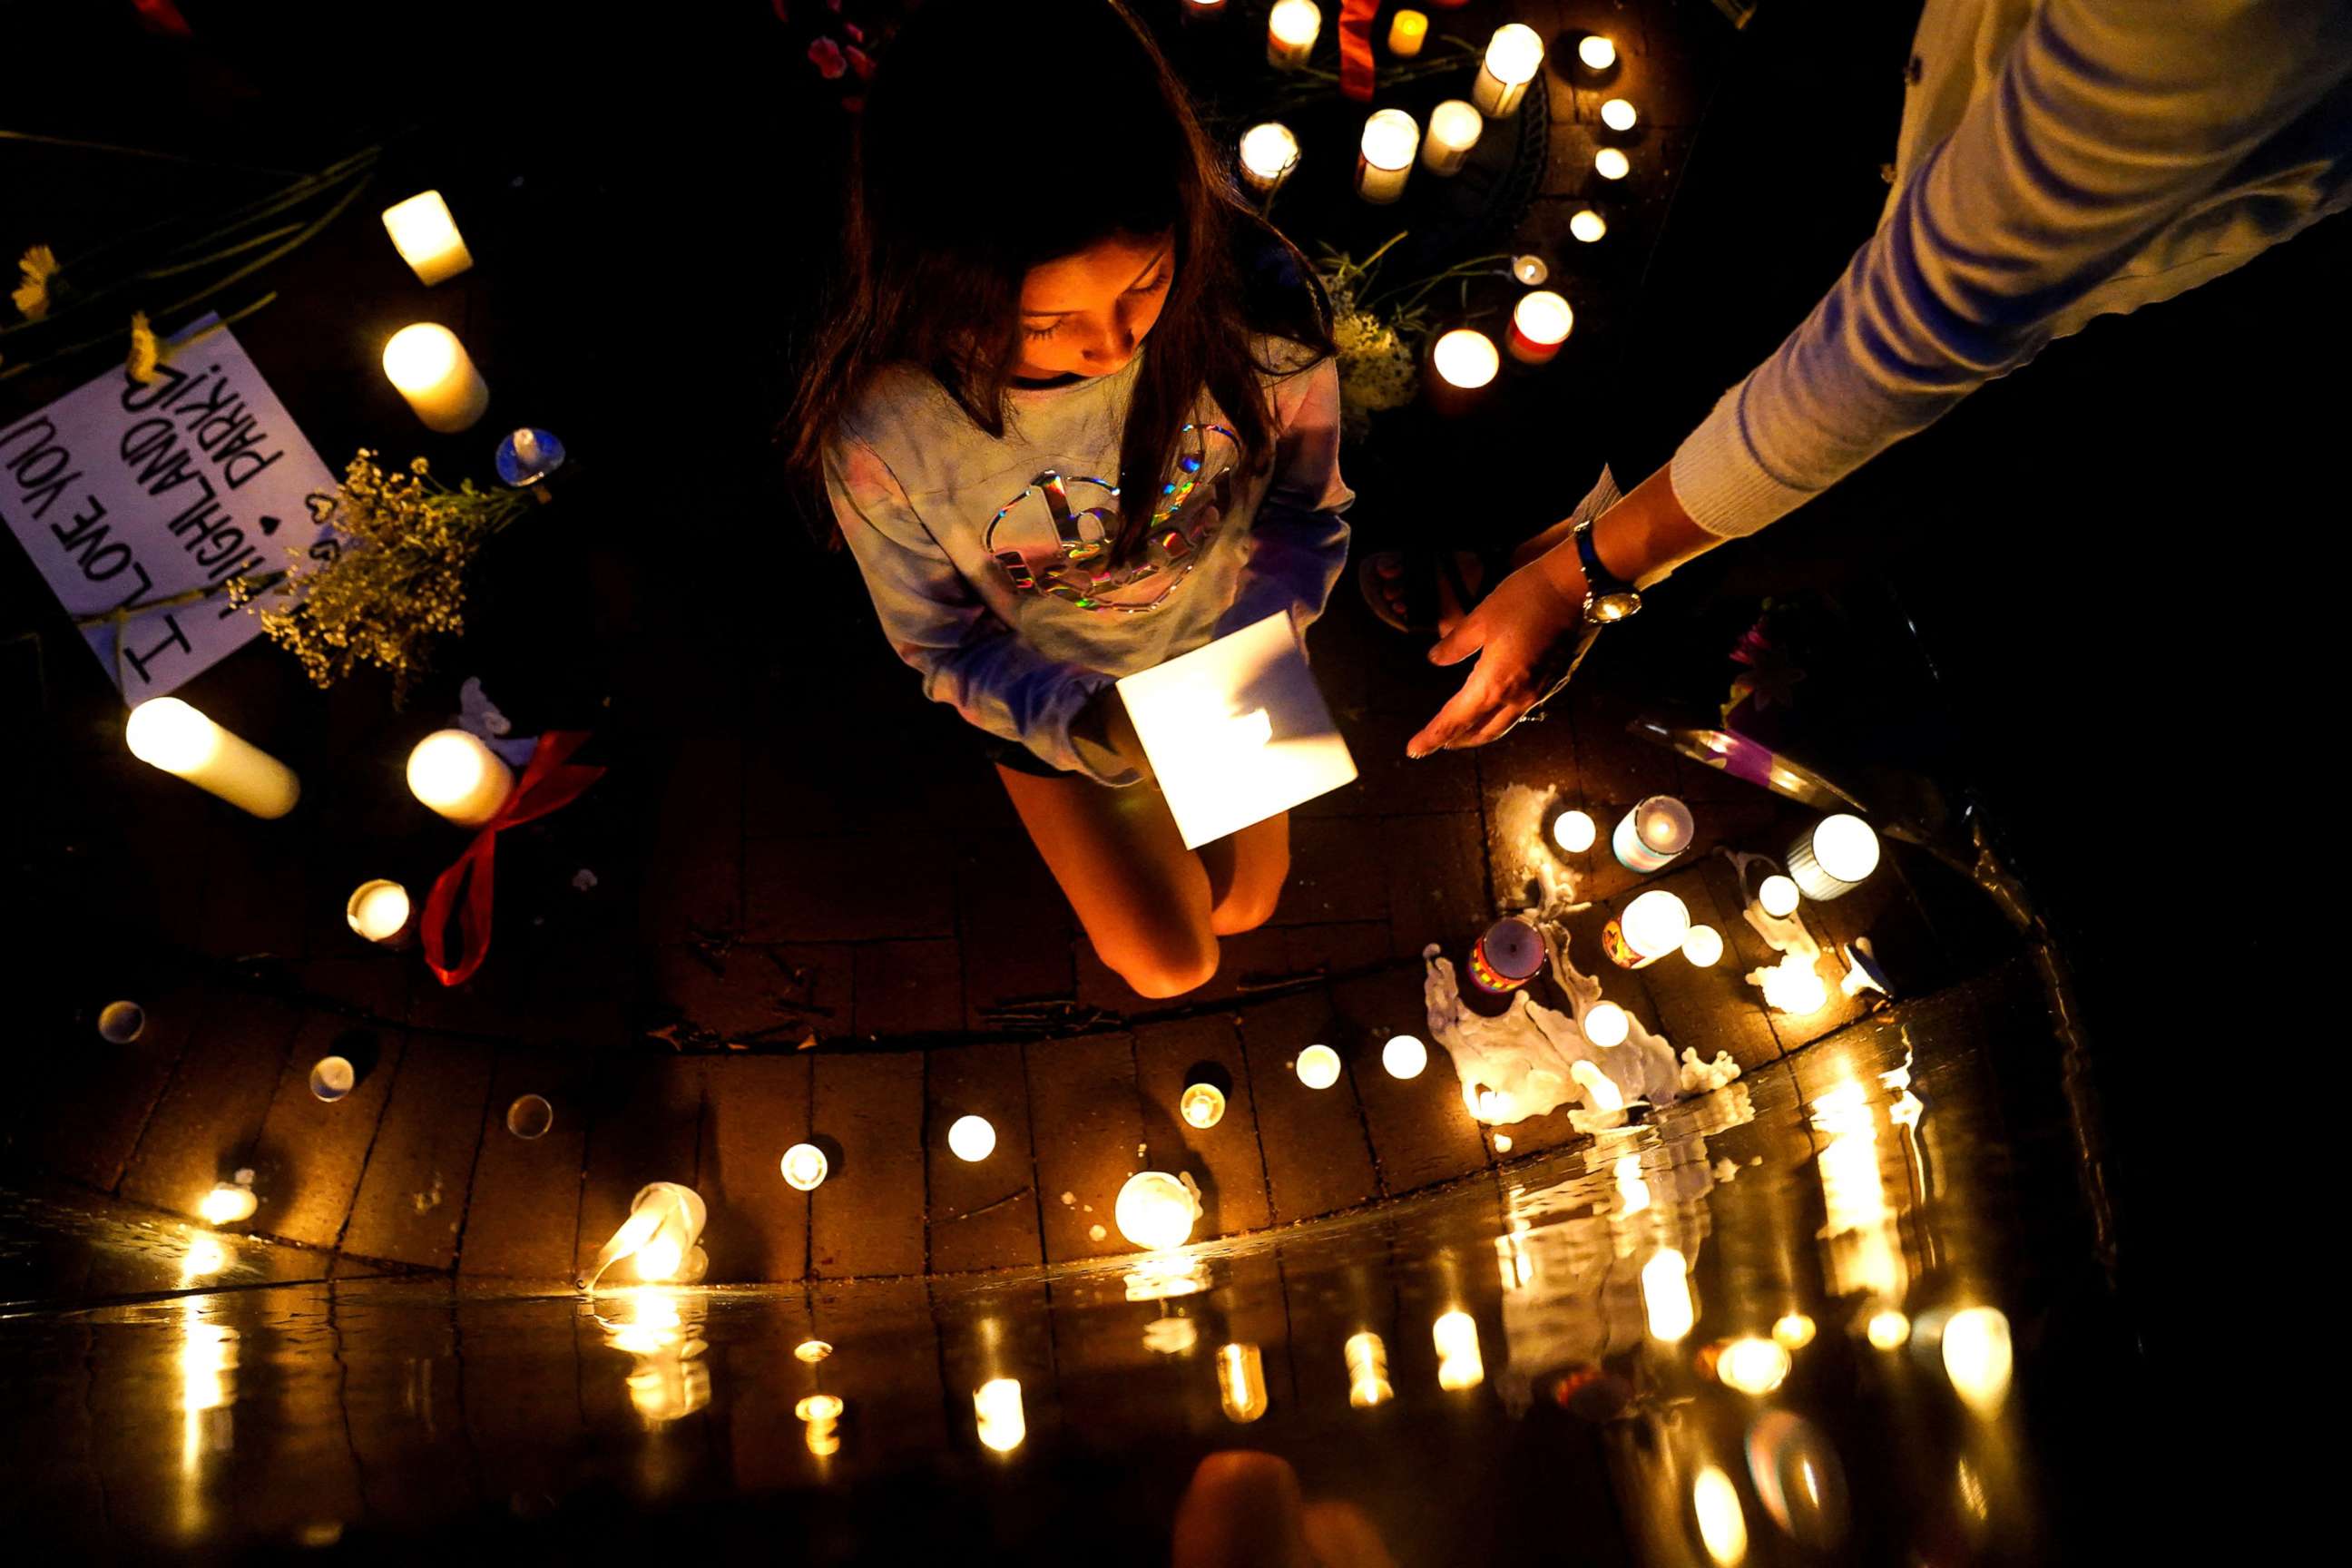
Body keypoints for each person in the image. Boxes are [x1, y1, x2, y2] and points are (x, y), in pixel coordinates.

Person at [1406, 0, 2352, 760]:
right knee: (1681, 348)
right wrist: (1587, 541)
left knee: (1771, 503)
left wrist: (1589, 580)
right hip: (1867, 52)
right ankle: (1578, 533)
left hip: (1990, 314)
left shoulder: (2217, 26)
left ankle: (1604, 601)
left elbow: (1908, 337)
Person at [782, 0, 1351, 1000]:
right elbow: (944, 644)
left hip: (1224, 660)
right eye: (1046, 324)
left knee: (1246, 902)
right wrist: (1088, 728)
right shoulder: (890, 434)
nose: (1113, 344)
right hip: (1056, 694)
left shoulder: (1254, 310)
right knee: (1171, 962)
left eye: (1147, 282)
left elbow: (1306, 513)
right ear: (943, 284)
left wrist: (1256, 649)